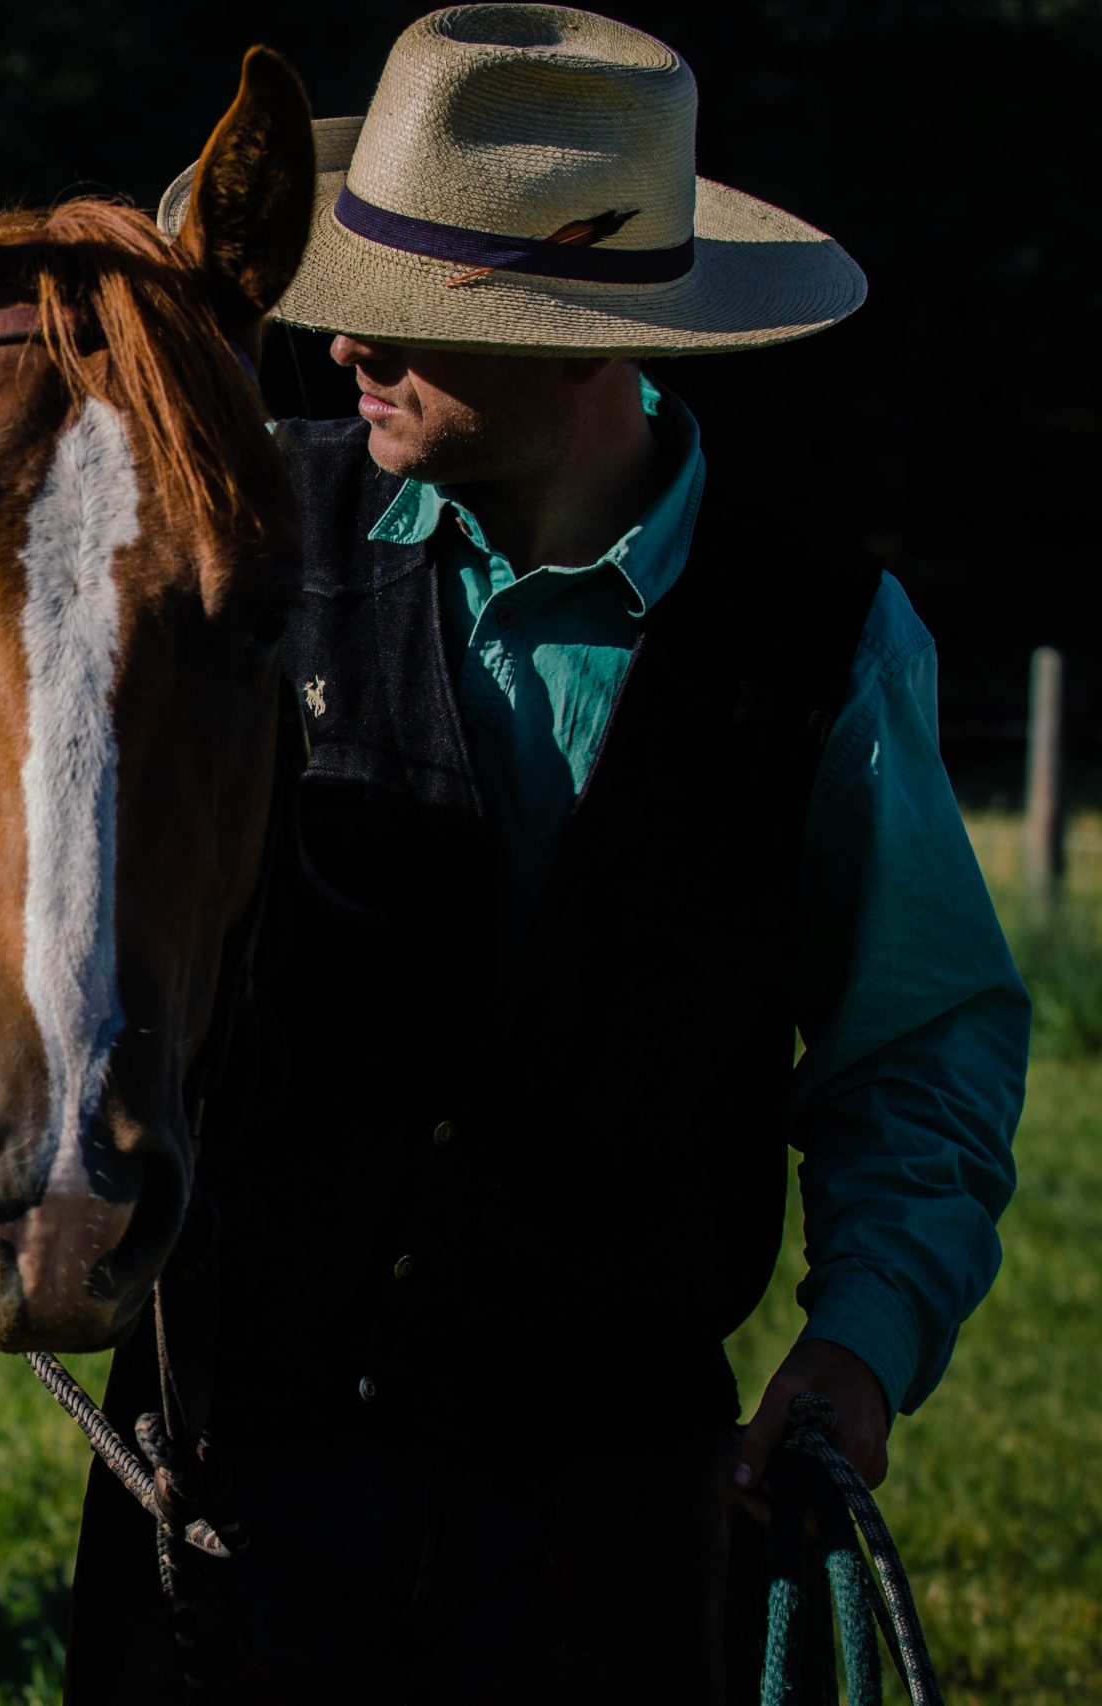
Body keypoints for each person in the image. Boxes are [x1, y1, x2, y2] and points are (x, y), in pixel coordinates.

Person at [65, 8, 1026, 1701]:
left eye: (411, 315)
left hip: (613, 1528)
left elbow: (920, 1041)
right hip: (225, 1502)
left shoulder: (826, 641)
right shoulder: (230, 558)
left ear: (590, 338)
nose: (345, 344)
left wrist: (863, 1339)